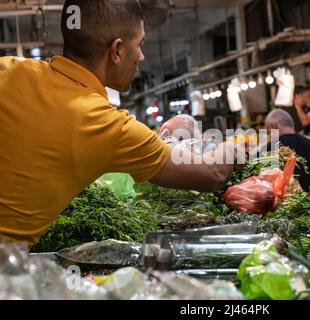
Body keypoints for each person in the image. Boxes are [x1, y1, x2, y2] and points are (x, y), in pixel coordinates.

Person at [0, 0, 238, 246]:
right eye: (140, 44)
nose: (142, 56)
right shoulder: (106, 126)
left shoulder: (7, 69)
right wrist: (230, 147)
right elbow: (212, 174)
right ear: (117, 51)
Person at [264, 109, 310, 191]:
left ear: (274, 126)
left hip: (287, 202)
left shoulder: (269, 149)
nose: (270, 136)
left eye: (269, 132)